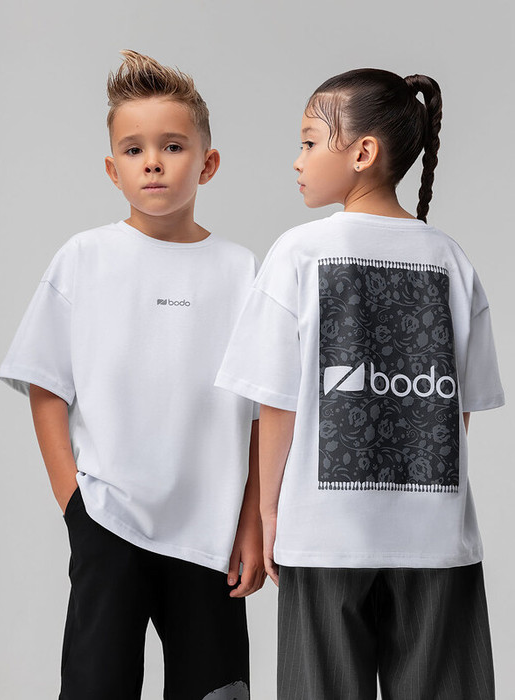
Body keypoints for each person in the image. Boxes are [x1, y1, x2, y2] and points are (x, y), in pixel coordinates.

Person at [215, 69, 504, 700]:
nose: (297, 160)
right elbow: (458, 410)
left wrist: (269, 511)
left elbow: (277, 403)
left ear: (363, 151)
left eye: (309, 141)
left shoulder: (299, 253)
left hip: (324, 536)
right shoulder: (452, 260)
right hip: (436, 541)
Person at [0, 49, 264, 700]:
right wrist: (75, 503)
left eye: (172, 146)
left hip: (211, 533)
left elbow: (264, 408)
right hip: (108, 519)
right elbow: (45, 384)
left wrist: (253, 522)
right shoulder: (84, 257)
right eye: (134, 148)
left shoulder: (241, 271)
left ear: (207, 163)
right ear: (112, 168)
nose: (153, 162)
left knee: (217, 690)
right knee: (96, 685)